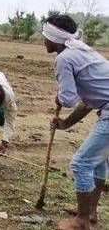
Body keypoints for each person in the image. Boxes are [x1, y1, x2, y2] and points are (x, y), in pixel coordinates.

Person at [43, 14, 109, 230]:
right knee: (97, 161)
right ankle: (90, 211)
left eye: (45, 36)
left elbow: (70, 99)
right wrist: (65, 124)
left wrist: (59, 98)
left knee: (81, 163)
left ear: (54, 38)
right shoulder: (82, 51)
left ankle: (81, 222)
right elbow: (88, 102)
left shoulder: (64, 58)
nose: (43, 40)